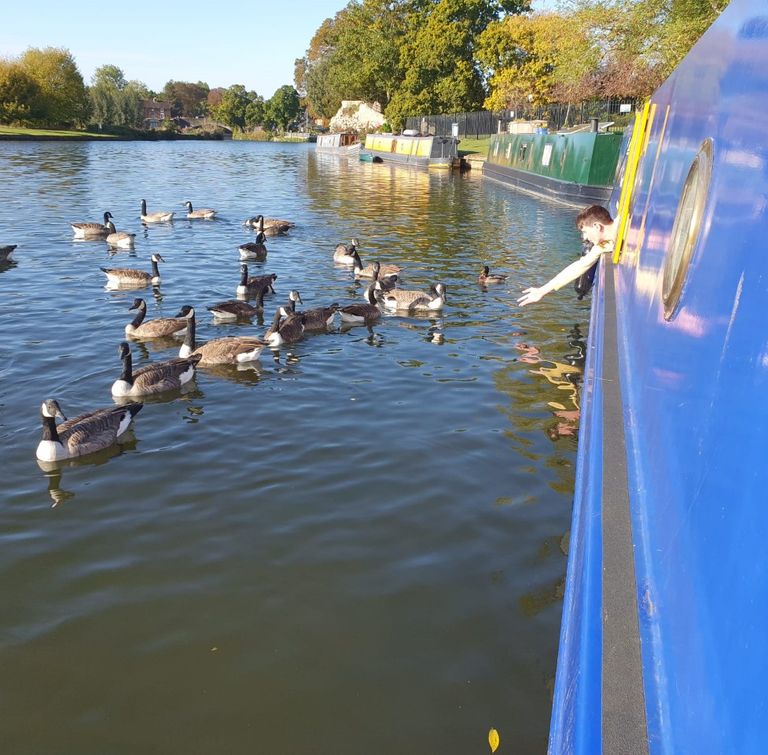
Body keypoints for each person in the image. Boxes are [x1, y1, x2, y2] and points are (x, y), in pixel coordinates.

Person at [517, 205, 616, 307]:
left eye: (585, 232)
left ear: (597, 226)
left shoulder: (627, 228)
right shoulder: (603, 246)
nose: (585, 237)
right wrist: (542, 290)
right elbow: (579, 267)